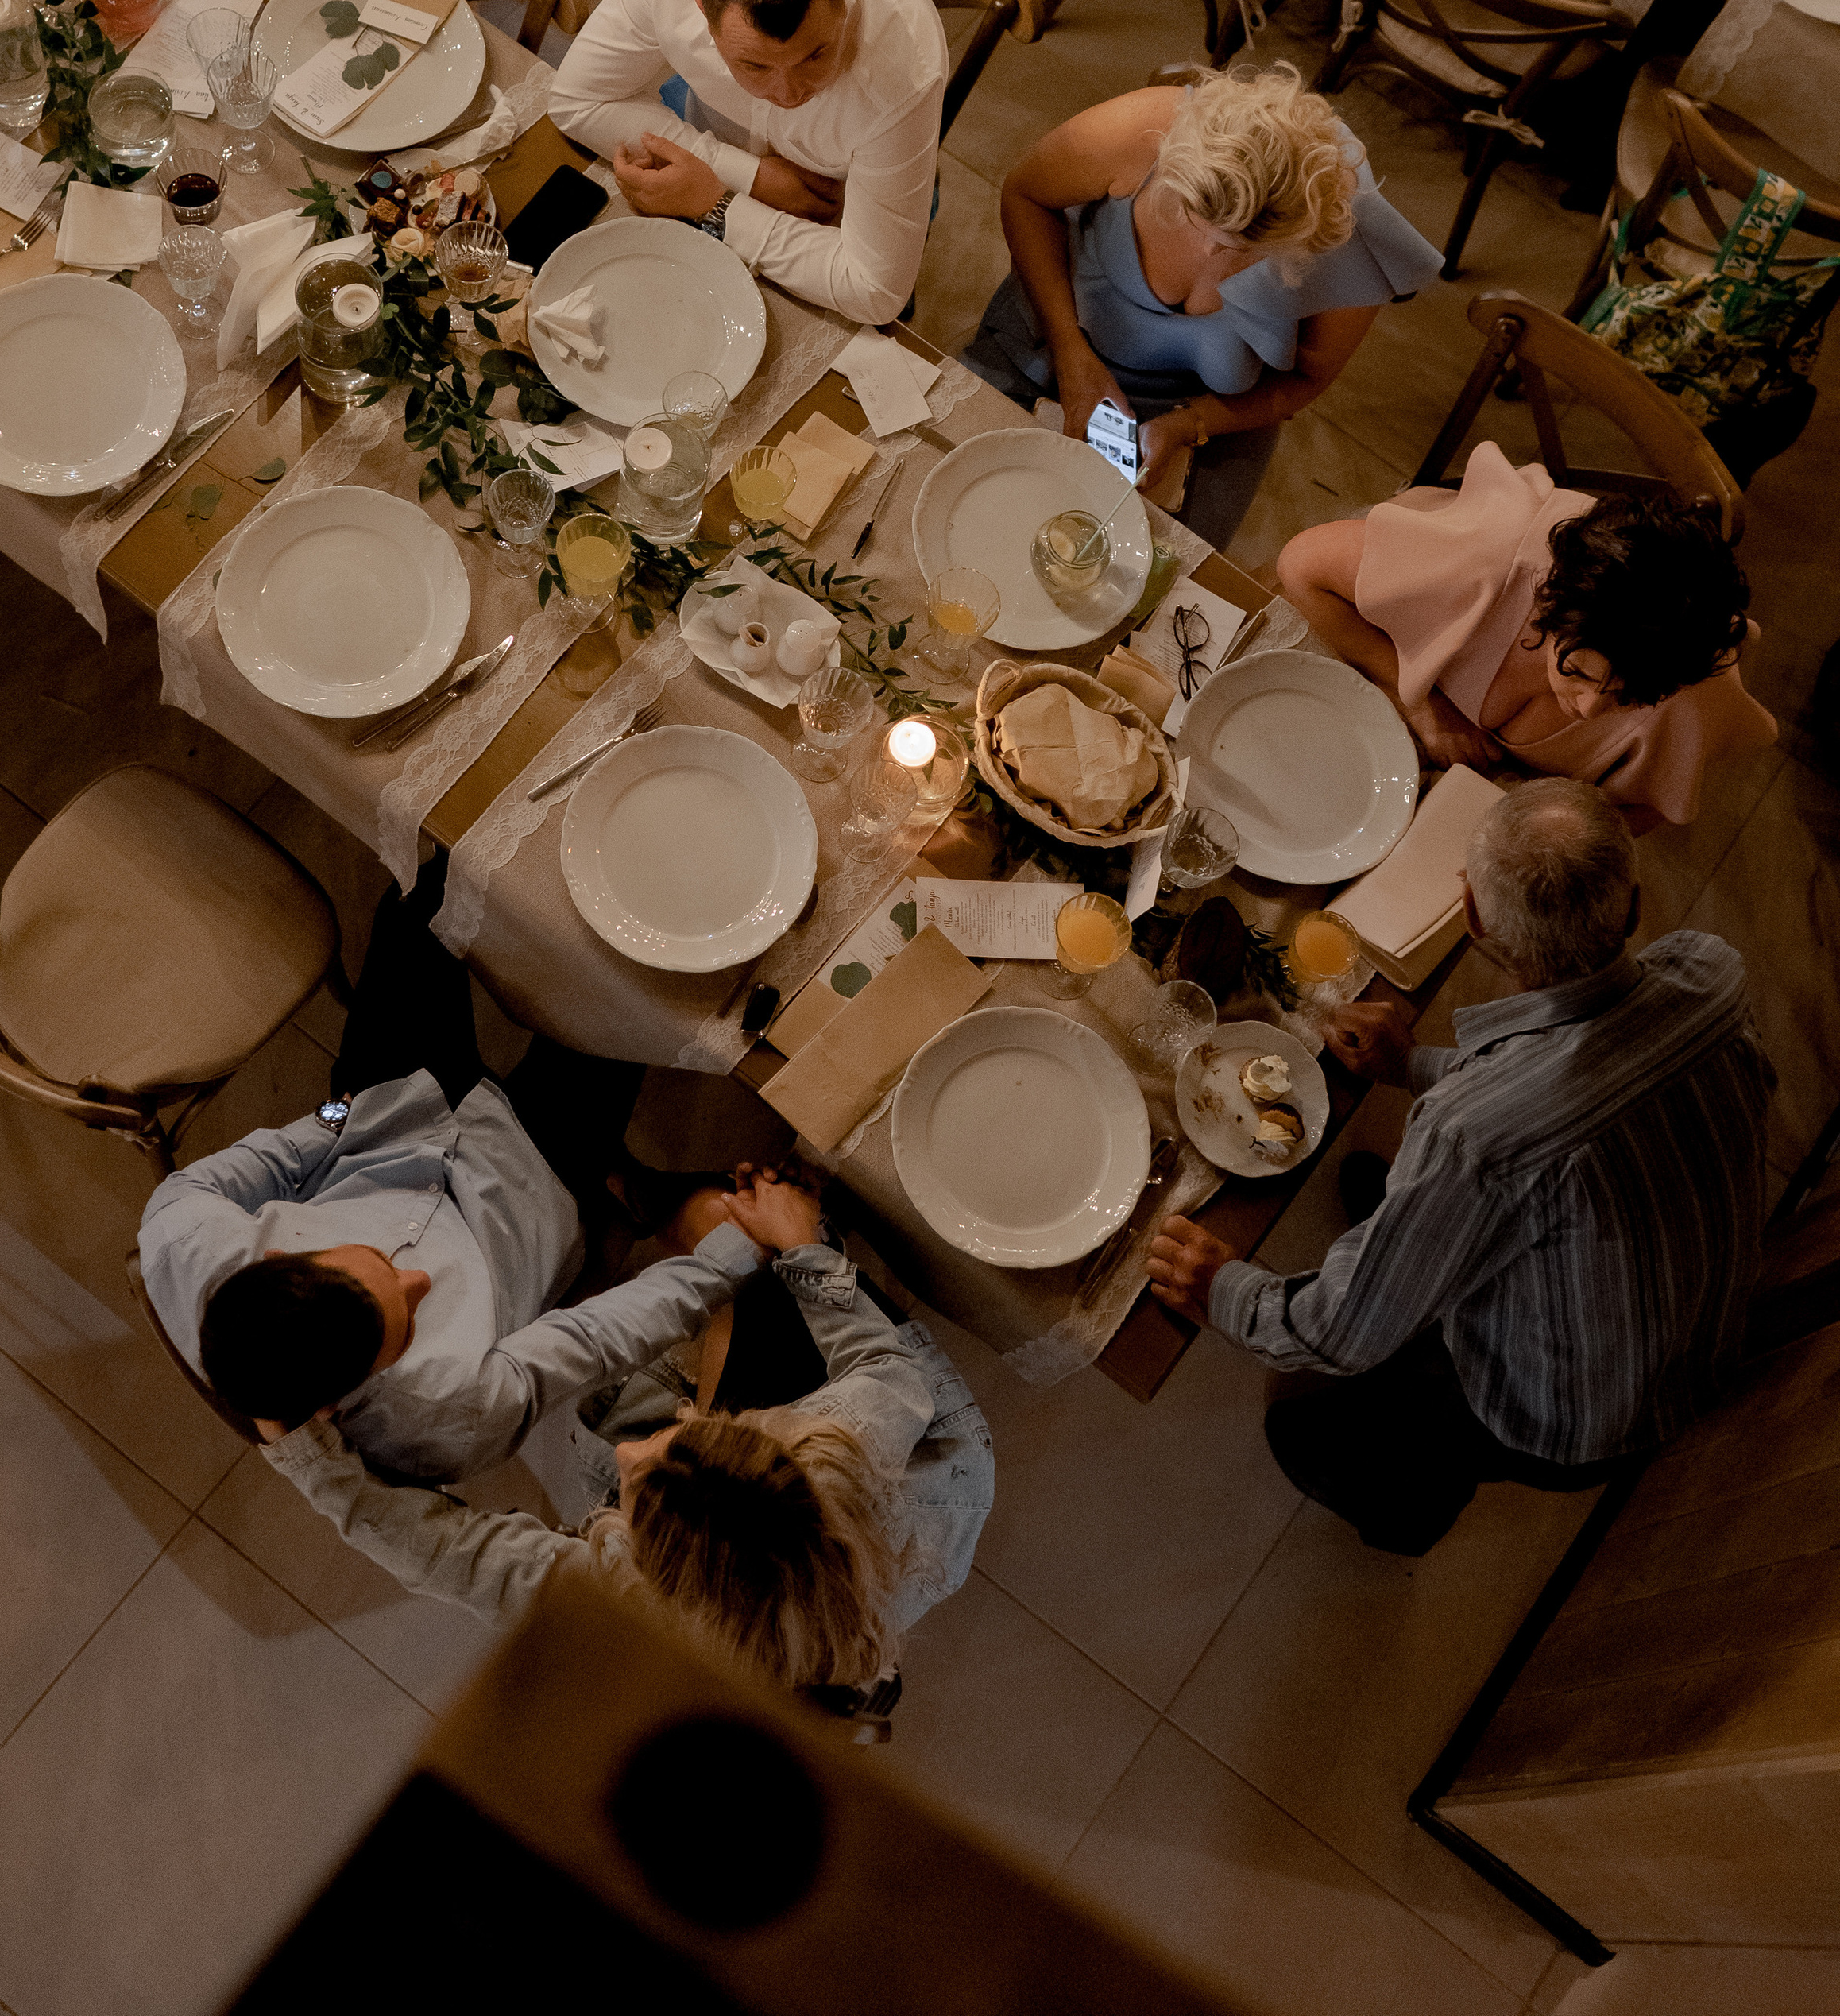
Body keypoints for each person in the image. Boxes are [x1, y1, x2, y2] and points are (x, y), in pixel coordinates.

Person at [1146, 778, 1772, 1557]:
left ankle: (1408, 1512)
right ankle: (1434, 1237)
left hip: (1574, 1421)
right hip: (1703, 1332)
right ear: (1635, 902)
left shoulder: (1469, 1137)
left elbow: (1341, 1333)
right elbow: (1574, 1085)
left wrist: (1222, 1288)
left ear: (1473, 919)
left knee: (1304, 1428)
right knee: (1448, 1204)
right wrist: (1411, 1062)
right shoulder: (1708, 974)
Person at [260, 1165, 993, 1700]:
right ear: (771, 1435)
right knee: (721, 1223)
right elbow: (884, 1366)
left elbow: (439, 1551)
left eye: (636, 1490)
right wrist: (805, 1246)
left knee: (697, 1240)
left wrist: (300, 1450)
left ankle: (657, 1205)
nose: (625, 1451)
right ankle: (683, 1207)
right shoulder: (856, 1432)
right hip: (909, 1486)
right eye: (675, 1439)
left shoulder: (625, 1608)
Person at [137, 868, 762, 1483]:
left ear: (275, 1257)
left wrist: (338, 1115)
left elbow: (277, 1154)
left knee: (424, 891)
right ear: (332, 1405)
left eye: (378, 1266)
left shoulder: (182, 1232)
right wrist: (730, 1257)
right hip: (535, 1186)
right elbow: (597, 1336)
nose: (415, 1279)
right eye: (405, 1323)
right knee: (628, 981)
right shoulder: (452, 1416)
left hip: (384, 1111)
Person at [961, 63, 1443, 547]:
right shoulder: (1139, 130)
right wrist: (1069, 350)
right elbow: (1025, 195)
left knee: (1142, 586)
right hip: (1047, 337)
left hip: (1215, 418)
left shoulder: (1344, 238)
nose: (1211, 254)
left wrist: (1189, 425)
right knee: (963, 491)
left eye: (1244, 249)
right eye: (1194, 219)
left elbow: (1306, 381)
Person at [1278, 440, 1776, 833]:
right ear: (1552, 604)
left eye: (1629, 697)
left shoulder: (1690, 679)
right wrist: (1423, 705)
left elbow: (1649, 808)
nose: (1588, 710)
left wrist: (1550, 818)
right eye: (1579, 672)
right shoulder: (1484, 559)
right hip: (1399, 646)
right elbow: (1300, 568)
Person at [548, 0, 948, 324]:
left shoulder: (904, 71)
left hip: (847, 201)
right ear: (703, 10)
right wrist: (750, 180)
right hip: (713, 140)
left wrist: (715, 203)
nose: (788, 93)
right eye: (754, 65)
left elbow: (875, 291)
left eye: (814, 55)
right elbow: (576, 100)